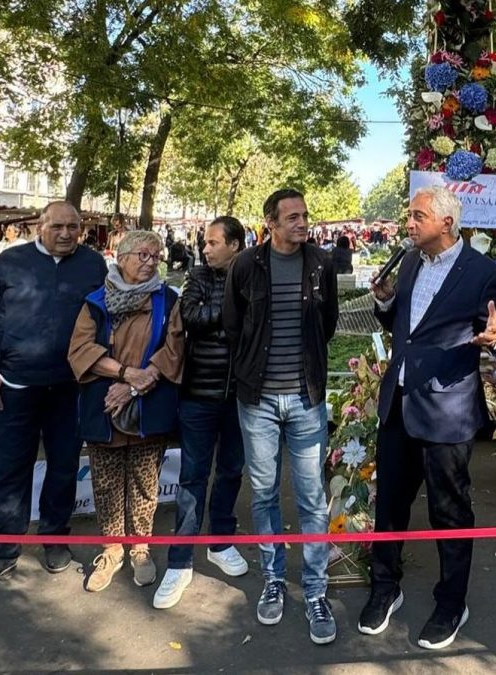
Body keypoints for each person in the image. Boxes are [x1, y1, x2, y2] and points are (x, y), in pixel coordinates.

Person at [362, 185, 496, 650]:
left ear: (446, 222)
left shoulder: (482, 271)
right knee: (388, 504)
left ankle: (452, 601)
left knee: (449, 510)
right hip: (398, 403)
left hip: (446, 409)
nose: (408, 223)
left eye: (417, 216)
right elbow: (403, 331)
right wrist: (386, 301)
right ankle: (385, 588)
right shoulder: (409, 262)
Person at [0, 201, 107, 600]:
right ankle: (2, 549)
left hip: (70, 386)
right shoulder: (10, 263)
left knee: (63, 466)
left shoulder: (93, 264)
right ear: (40, 226)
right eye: (57, 226)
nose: (65, 234)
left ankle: (55, 537)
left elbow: (108, 316)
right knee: (10, 469)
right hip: (13, 384)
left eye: (73, 227)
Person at [222, 188, 339, 644]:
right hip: (259, 401)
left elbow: (325, 324)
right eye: (292, 217)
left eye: (305, 216)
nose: (301, 223)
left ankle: (314, 590)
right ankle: (273, 578)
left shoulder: (321, 264)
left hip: (307, 397)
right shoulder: (246, 265)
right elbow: (234, 326)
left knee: (311, 496)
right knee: (265, 492)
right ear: (269, 222)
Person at [67, 230, 183, 592]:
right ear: (121, 257)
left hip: (149, 403)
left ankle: (141, 548)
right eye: (142, 256)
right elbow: (80, 350)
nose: (150, 263)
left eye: (156, 257)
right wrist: (122, 373)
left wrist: (135, 383)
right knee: (106, 484)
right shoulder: (96, 301)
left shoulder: (169, 299)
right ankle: (112, 548)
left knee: (146, 483)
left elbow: (174, 348)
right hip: (104, 405)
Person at [154, 216, 248, 609]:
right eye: (203, 242)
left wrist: (223, 319)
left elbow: (260, 325)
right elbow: (191, 316)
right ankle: (179, 560)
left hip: (241, 396)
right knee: (193, 476)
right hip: (198, 394)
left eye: (212, 243)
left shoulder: (254, 276)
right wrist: (231, 317)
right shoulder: (196, 277)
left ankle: (220, 540)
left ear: (235, 244)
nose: (205, 249)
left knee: (230, 470)